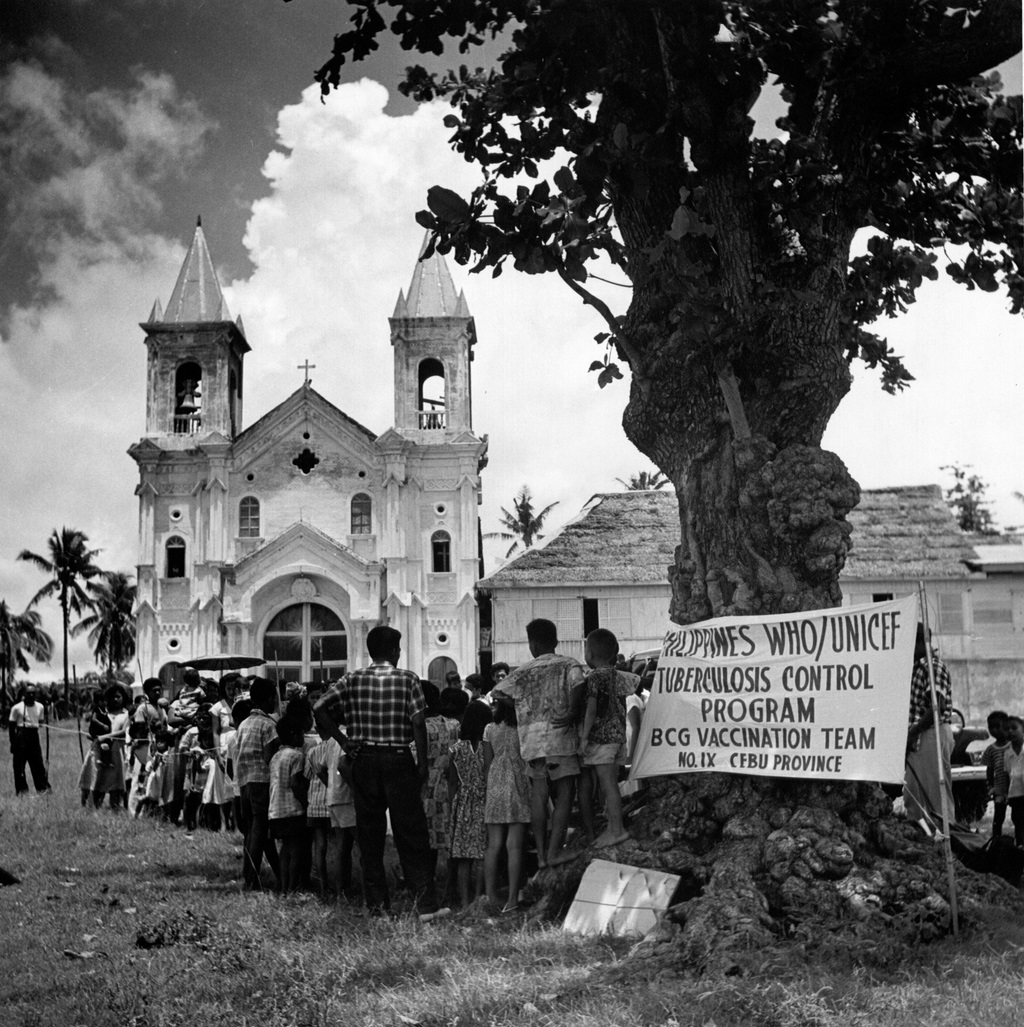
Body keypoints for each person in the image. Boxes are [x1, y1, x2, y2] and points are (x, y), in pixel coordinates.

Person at [313, 625, 445, 920]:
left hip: (364, 760)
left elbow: (320, 708)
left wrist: (344, 740)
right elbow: (419, 724)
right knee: (411, 833)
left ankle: (377, 907)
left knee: (369, 836)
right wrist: (422, 764)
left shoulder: (353, 678)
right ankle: (425, 905)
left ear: (371, 651)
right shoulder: (407, 679)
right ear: (395, 651)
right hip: (398, 759)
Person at [491, 618, 584, 869]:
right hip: (560, 738)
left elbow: (497, 692)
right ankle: (555, 852)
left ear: (532, 644)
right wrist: (572, 711)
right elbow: (579, 685)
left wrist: (523, 706)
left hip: (532, 743)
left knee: (539, 796)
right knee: (565, 793)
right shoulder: (568, 663)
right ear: (555, 641)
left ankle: (542, 856)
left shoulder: (522, 672)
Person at [569, 628, 633, 850]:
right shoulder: (619, 675)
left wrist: (584, 738)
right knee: (611, 784)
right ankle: (613, 825)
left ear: (591, 653)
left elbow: (592, 709)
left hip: (602, 740)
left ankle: (617, 830)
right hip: (618, 737)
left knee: (608, 786)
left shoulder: (594, 677)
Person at [903, 625, 955, 836]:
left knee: (936, 792)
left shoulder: (933, 666)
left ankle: (946, 838)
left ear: (919, 642)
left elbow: (936, 706)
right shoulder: (914, 668)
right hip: (917, 735)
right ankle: (925, 838)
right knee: (913, 793)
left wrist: (912, 732)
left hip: (930, 732)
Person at [483, 695, 530, 912]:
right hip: (518, 782)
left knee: (493, 845)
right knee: (515, 846)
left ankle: (491, 895)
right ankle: (512, 898)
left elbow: (487, 761)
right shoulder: (523, 728)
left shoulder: (489, 729)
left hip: (495, 783)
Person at [235, 678, 282, 890]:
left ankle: (278, 874)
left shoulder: (244, 724)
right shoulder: (269, 725)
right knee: (260, 831)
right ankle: (251, 879)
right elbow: (270, 758)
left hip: (244, 783)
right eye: (275, 696)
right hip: (261, 782)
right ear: (269, 698)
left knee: (253, 832)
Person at [446, 701, 490, 907]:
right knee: (481, 852)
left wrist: (450, 809)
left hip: (462, 803)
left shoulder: (455, 749)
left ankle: (463, 901)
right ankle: (479, 898)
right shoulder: (488, 748)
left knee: (463, 855)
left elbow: (453, 782)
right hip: (483, 800)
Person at [269, 715, 309, 894]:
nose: (303, 736)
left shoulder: (275, 757)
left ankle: (283, 887)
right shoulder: (297, 756)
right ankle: (293, 887)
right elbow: (294, 783)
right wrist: (305, 802)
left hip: (275, 810)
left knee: (284, 850)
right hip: (293, 810)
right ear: (294, 735)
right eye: (301, 733)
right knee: (296, 850)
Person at [8, 684, 50, 795]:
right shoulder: (17, 708)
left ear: (36, 695)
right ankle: (22, 791)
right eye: (28, 693)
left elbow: (40, 723)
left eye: (33, 693)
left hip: (33, 735)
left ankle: (42, 789)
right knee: (19, 765)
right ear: (24, 695)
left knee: (38, 764)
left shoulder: (40, 707)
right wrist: (13, 743)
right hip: (21, 735)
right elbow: (12, 727)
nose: (31, 695)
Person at [981, 710, 1011, 839]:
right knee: (998, 817)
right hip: (999, 789)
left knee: (1018, 816)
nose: (994, 730)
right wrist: (990, 786)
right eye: (991, 727)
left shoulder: (1014, 746)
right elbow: (989, 770)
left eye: (997, 726)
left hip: (1016, 788)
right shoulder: (991, 750)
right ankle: (996, 840)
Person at [1005, 715, 1024, 847]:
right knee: (1018, 820)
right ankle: (1020, 847)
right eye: (1007, 729)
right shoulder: (1007, 754)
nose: (1010, 731)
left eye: (1014, 728)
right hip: (1016, 794)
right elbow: (1008, 774)